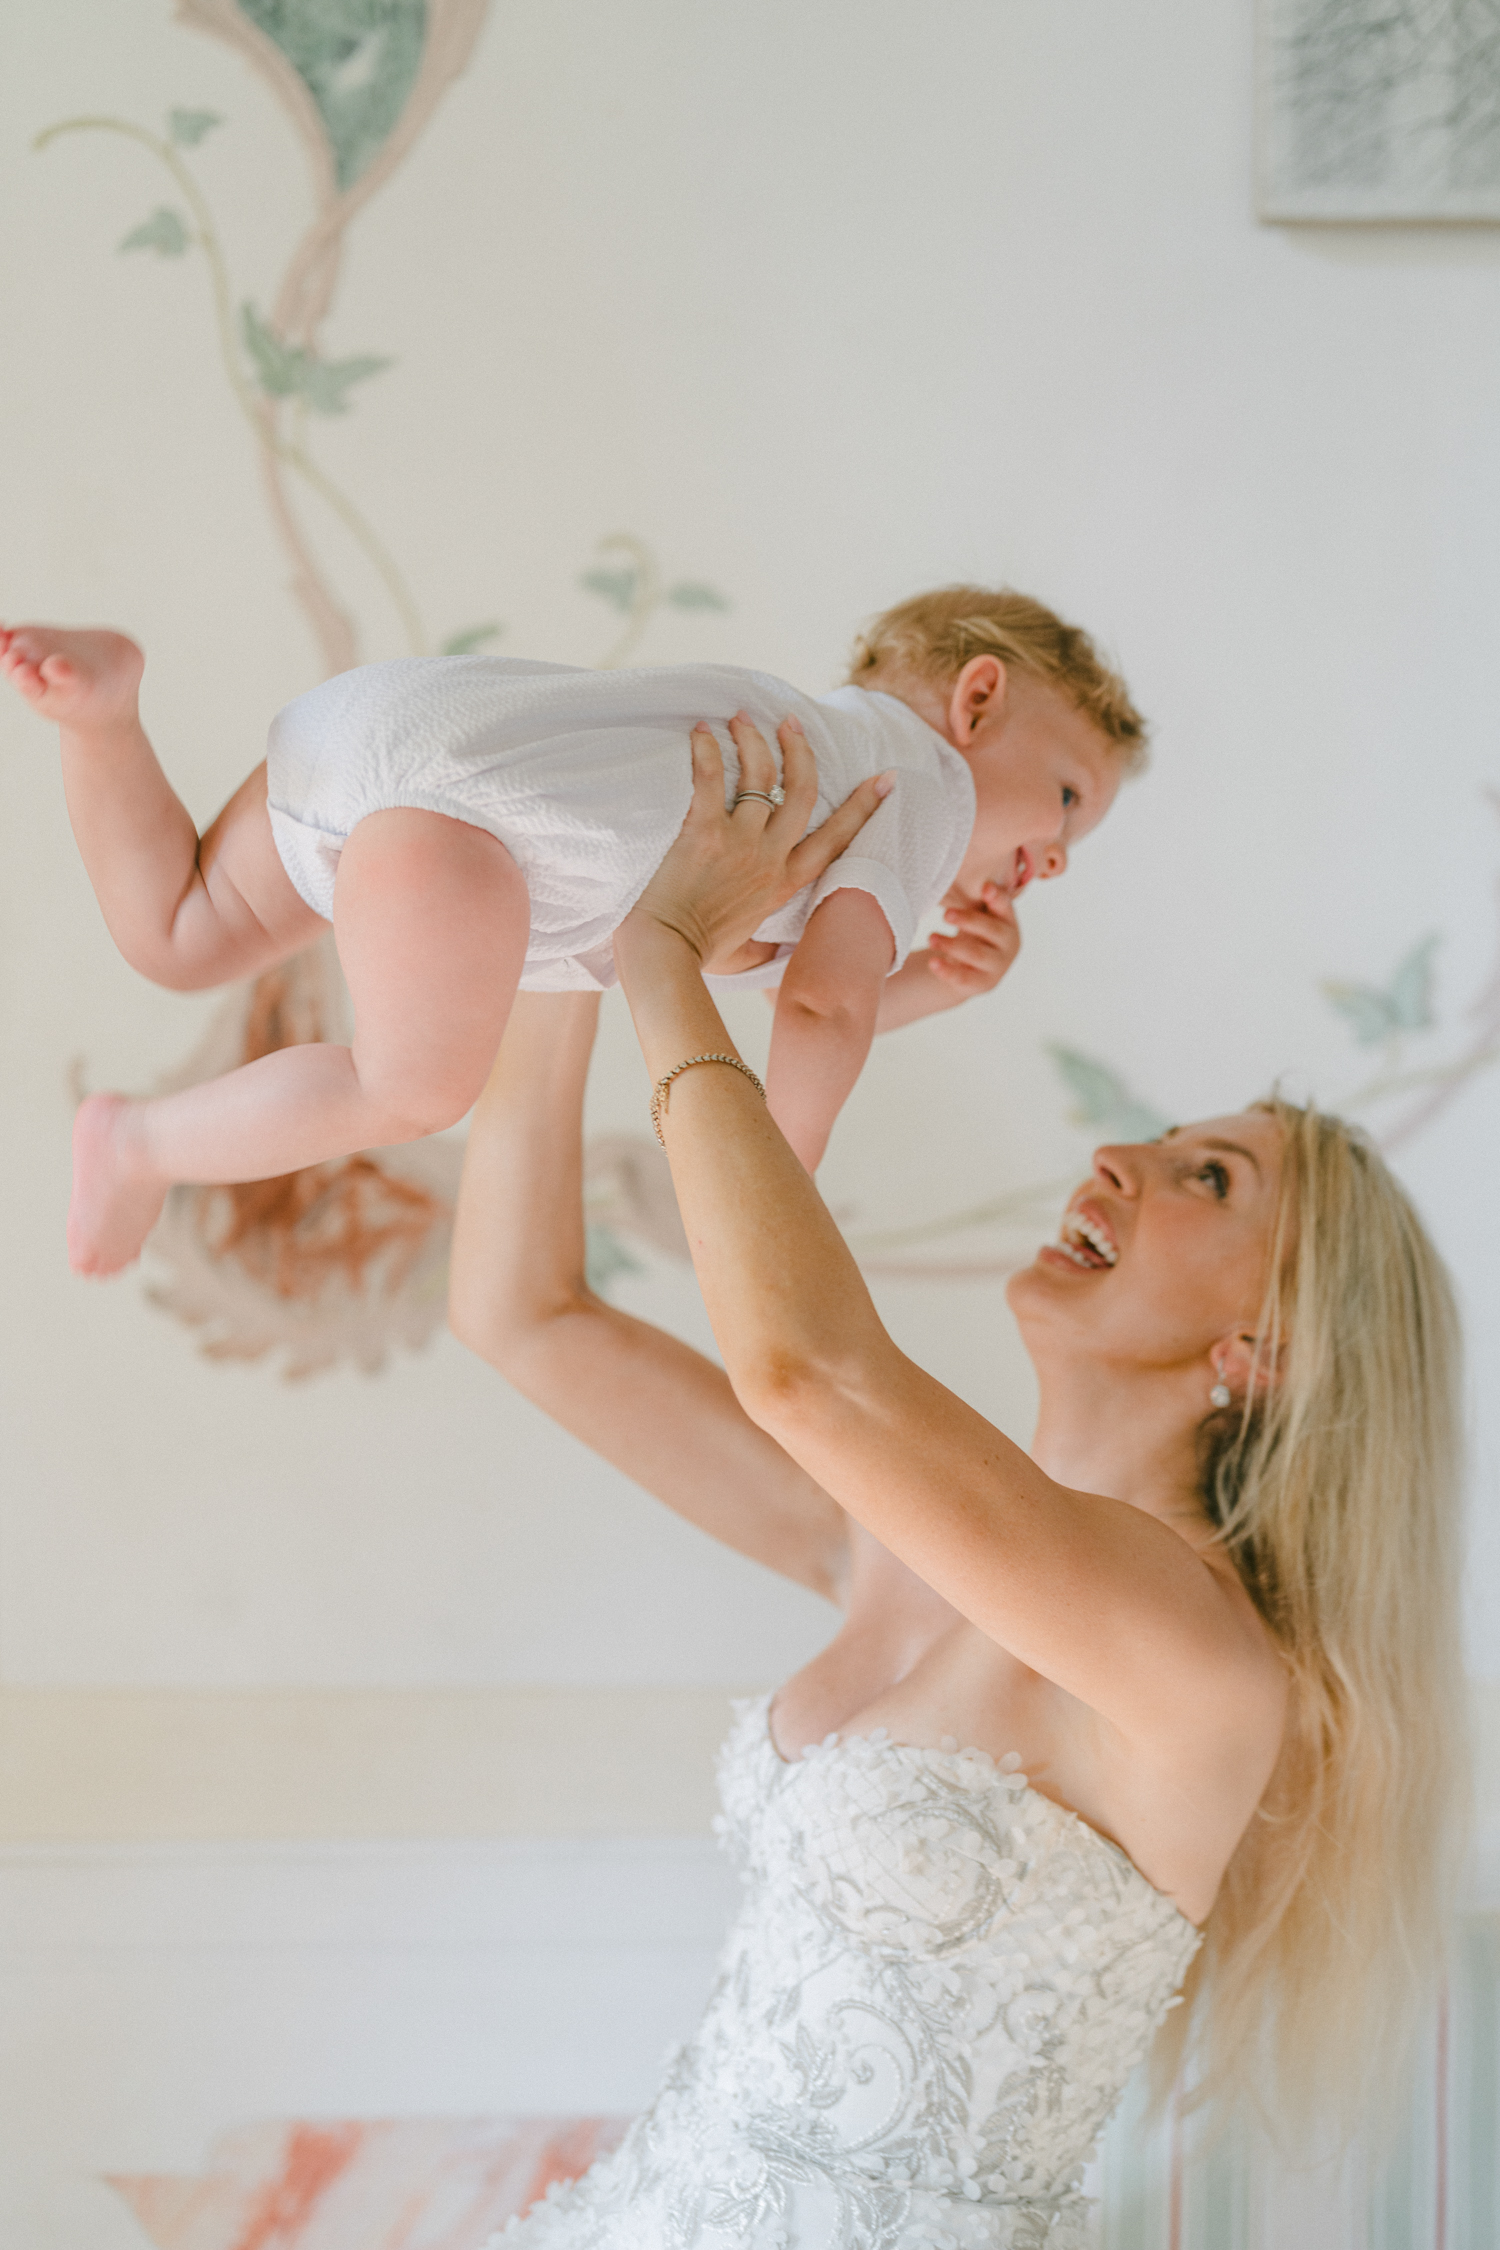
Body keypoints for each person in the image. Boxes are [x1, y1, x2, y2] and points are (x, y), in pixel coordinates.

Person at [449, 718, 1466, 2248]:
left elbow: (805, 1369)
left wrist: (665, 949)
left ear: (1265, 1345)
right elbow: (523, 1310)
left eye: (1210, 1178)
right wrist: (571, 917)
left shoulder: (1197, 1664)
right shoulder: (898, 1556)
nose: (1119, 1153)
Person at [0, 587, 1142, 1277]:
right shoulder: (919, 792)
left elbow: (809, 985)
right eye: (1069, 805)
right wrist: (776, 1174)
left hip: (380, 728)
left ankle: (100, 718)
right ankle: (142, 1142)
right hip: (462, 826)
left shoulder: (820, 777)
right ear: (977, 704)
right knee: (412, 1087)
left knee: (179, 933)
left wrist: (939, 984)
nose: (1052, 860)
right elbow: (824, 1008)